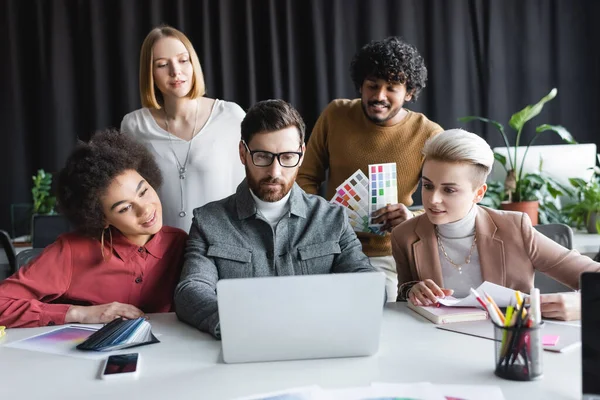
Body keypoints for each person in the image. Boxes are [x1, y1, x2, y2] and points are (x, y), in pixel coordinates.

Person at [175, 100, 376, 338]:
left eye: (288, 157)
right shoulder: (208, 221)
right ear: (243, 153)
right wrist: (240, 325)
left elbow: (369, 285)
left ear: (301, 154)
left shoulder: (333, 218)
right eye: (262, 156)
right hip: (243, 349)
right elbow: (190, 291)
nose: (275, 172)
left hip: (320, 347)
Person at [391, 129, 600, 321]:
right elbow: (404, 297)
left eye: (449, 190)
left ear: (479, 193)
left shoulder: (515, 228)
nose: (433, 199)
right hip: (435, 342)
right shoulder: (405, 235)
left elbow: (594, 275)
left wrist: (583, 304)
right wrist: (411, 291)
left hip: (508, 342)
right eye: (428, 186)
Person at [297, 37, 443, 301]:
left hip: (386, 254)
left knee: (377, 317)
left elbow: (449, 200)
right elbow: (305, 176)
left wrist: (412, 217)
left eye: (392, 88)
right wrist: (319, 213)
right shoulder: (336, 114)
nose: (379, 96)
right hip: (328, 246)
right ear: (360, 86)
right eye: (372, 86)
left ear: (409, 92)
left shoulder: (429, 134)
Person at [0, 130, 188, 328]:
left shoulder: (179, 242)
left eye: (143, 191)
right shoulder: (71, 251)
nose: (145, 209)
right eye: (125, 208)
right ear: (102, 218)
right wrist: (79, 313)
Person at [121, 25, 245, 232]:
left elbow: (252, 189)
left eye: (183, 60)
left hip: (223, 250)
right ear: (149, 73)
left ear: (193, 63)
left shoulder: (232, 116)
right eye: (162, 64)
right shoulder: (134, 126)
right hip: (163, 252)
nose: (175, 71)